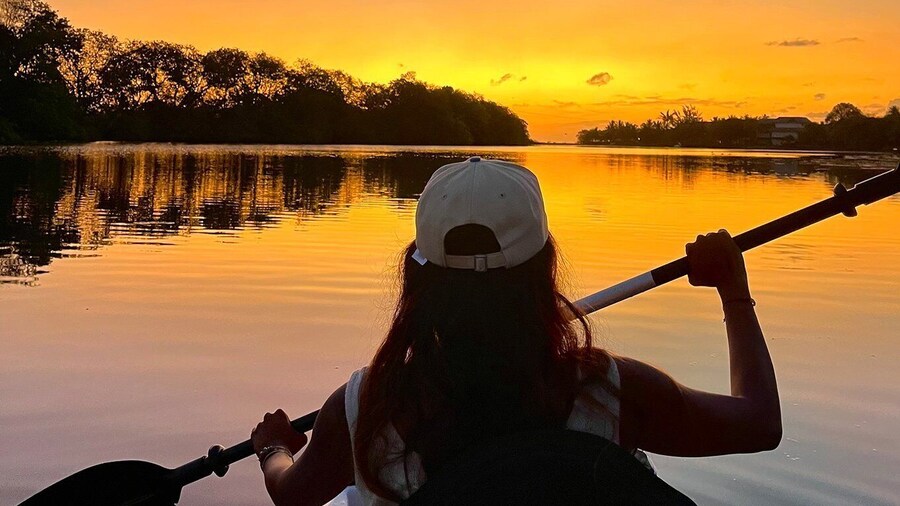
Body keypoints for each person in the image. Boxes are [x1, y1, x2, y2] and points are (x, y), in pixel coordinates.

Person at [250, 157, 782, 506]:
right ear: (544, 265)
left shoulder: (366, 406)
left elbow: (291, 495)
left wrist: (274, 448)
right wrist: (733, 290)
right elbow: (759, 424)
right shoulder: (612, 392)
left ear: (418, 276)